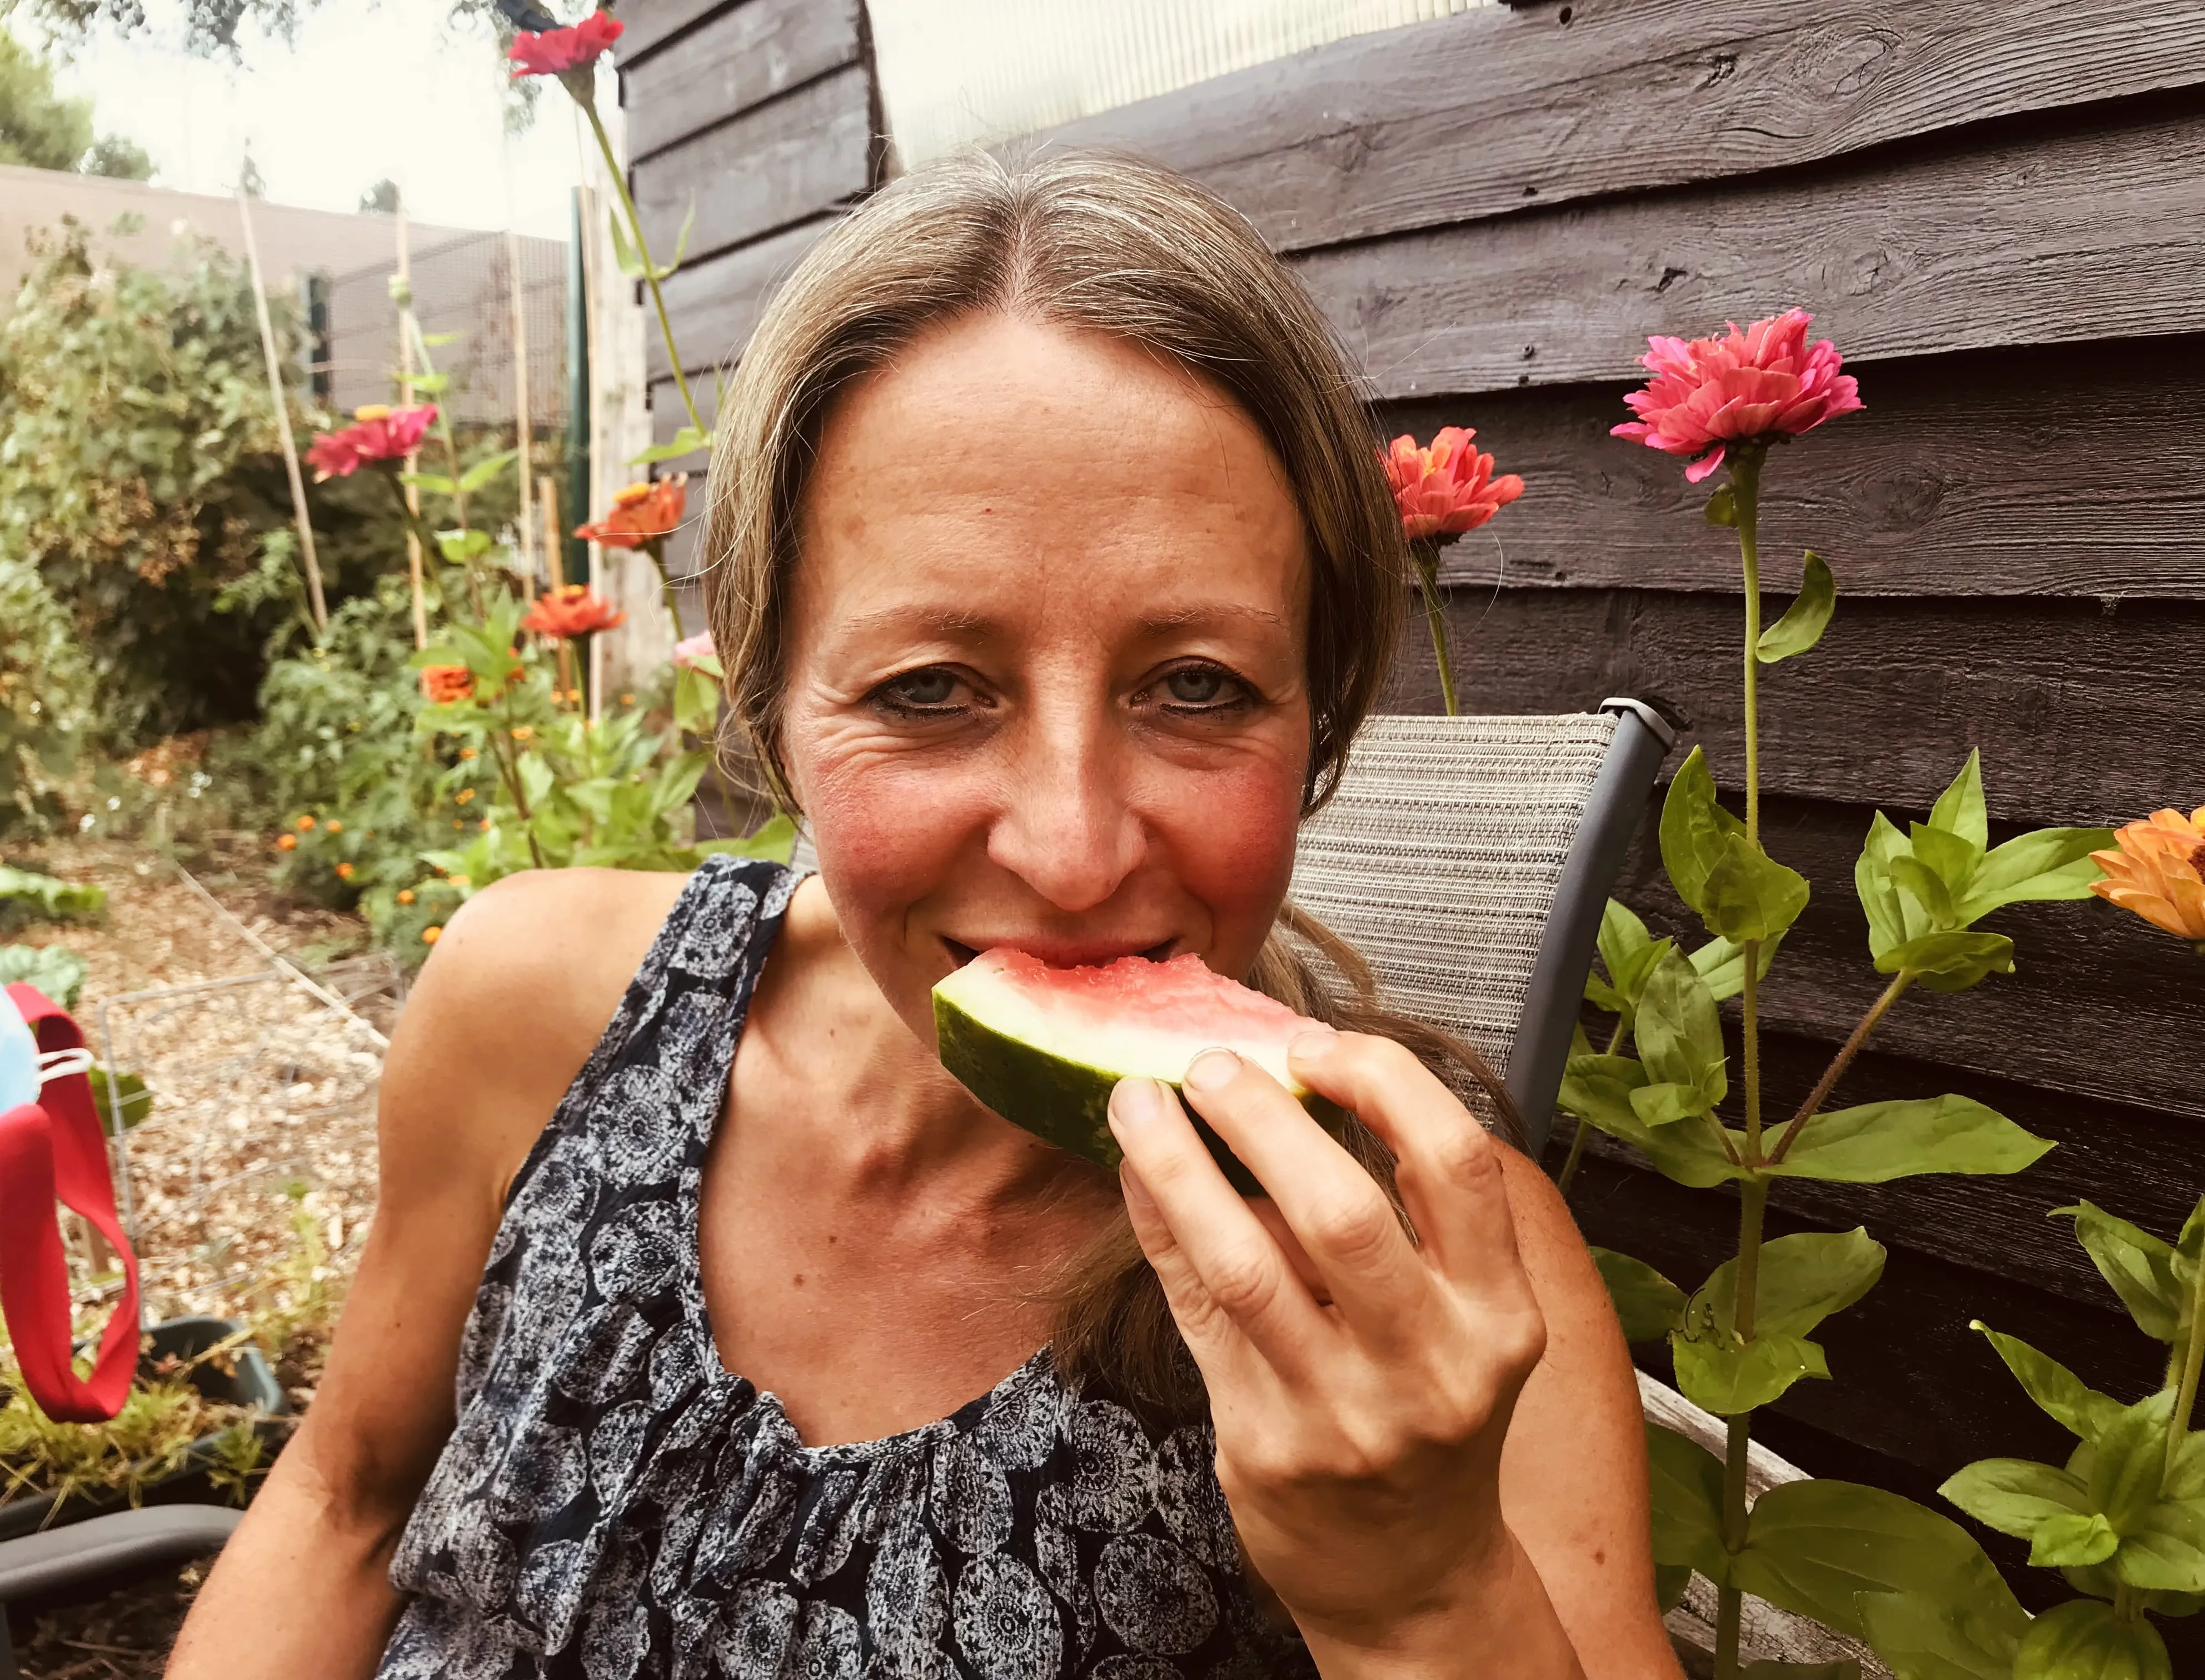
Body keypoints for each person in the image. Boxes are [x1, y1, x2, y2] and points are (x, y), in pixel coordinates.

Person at [168, 150, 1681, 1680]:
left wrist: (1419, 1600)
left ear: (1317, 725)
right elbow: (342, 1505)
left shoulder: (1436, 1279)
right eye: (931, 691)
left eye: (1199, 687)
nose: (1076, 851)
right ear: (768, 706)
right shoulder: (535, 1003)